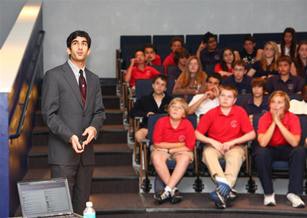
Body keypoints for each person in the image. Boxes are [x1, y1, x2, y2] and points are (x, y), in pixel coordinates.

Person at [41, 30, 105, 214]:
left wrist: (94, 127)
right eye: (75, 43)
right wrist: (70, 137)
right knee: (60, 209)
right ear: (68, 49)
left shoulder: (93, 79)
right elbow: (49, 114)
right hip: (62, 153)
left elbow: (99, 112)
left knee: (82, 206)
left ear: (89, 50)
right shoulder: (54, 75)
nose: (80, 46)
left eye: (84, 43)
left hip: (86, 156)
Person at [195, 85, 256, 209]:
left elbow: (252, 134)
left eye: (229, 97)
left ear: (234, 100)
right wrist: (212, 141)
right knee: (207, 153)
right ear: (218, 98)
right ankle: (227, 189)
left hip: (234, 146)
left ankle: (222, 192)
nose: (225, 99)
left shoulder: (240, 112)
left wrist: (233, 142)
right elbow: (197, 134)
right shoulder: (211, 113)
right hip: (215, 146)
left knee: (235, 156)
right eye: (222, 95)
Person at [255, 91, 305, 208]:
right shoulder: (264, 118)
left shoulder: (293, 118)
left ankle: (294, 193)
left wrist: (279, 123)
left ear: (286, 105)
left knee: (300, 151)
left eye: (279, 102)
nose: (276, 105)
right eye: (273, 102)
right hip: (269, 149)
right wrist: (274, 122)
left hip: (288, 149)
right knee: (260, 152)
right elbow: (263, 143)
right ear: (269, 105)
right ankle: (269, 193)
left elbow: (294, 142)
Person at [152, 98, 196, 204]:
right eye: (173, 106)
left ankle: (167, 190)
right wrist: (178, 145)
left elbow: (189, 146)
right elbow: (157, 143)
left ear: (184, 113)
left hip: (182, 151)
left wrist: (171, 149)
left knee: (185, 158)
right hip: (163, 150)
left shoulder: (187, 124)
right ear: (169, 109)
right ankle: (173, 190)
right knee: (156, 157)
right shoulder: (161, 122)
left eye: (179, 108)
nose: (175, 110)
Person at [130, 75, 172, 144]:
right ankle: (145, 151)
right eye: (157, 83)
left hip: (166, 128)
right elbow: (132, 112)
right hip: (148, 128)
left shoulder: (171, 100)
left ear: (165, 88)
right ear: (153, 85)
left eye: (162, 85)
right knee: (138, 135)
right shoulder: (144, 99)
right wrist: (145, 114)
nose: (159, 87)